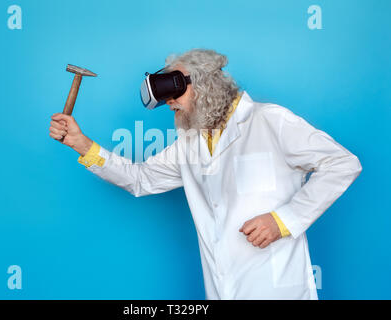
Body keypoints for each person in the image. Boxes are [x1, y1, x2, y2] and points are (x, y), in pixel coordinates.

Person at [48, 49, 362, 299]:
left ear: (206, 85)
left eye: (175, 96)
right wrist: (81, 144)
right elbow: (140, 179)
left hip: (276, 288)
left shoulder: (270, 120)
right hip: (222, 289)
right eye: (167, 101)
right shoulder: (190, 143)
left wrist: (284, 221)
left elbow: (342, 163)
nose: (171, 106)